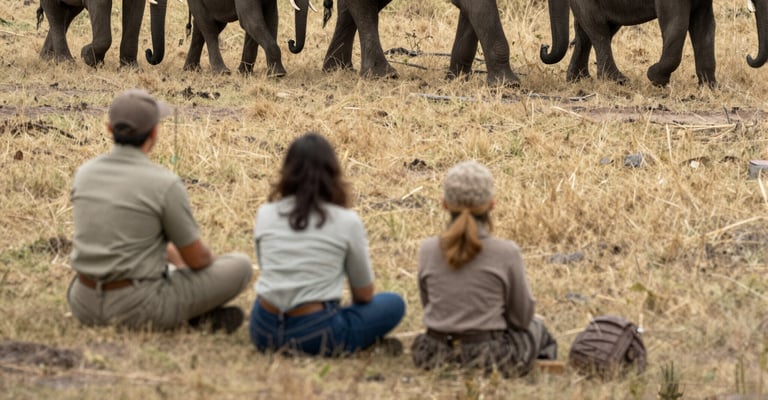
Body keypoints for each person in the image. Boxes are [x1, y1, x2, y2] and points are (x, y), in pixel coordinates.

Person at [67, 88, 253, 333]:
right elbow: (198, 259)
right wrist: (196, 273)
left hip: (83, 300)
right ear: (154, 132)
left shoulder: (84, 173)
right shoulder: (164, 183)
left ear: (109, 129)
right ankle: (190, 317)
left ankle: (191, 316)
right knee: (241, 265)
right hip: (137, 305)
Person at [249, 132, 406, 355]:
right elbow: (364, 294)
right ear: (333, 173)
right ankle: (355, 342)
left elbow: (268, 270)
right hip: (315, 331)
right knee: (393, 303)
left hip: (263, 329)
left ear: (286, 172)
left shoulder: (265, 213)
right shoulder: (347, 221)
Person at [411, 160, 558, 376]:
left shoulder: (428, 249)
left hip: (435, 353)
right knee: (537, 328)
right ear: (492, 204)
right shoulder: (507, 252)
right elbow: (521, 318)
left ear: (444, 204)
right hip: (489, 355)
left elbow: (429, 306)